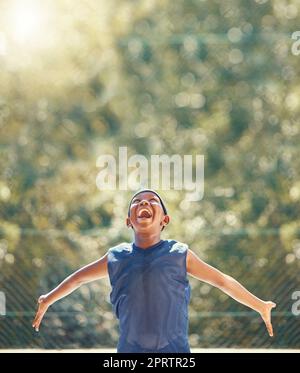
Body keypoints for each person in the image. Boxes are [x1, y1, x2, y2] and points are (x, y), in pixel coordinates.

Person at [32, 189, 276, 353]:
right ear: (129, 221)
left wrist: (259, 305)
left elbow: (222, 281)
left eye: (152, 201)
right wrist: (48, 298)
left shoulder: (179, 254)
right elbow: (77, 279)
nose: (144, 203)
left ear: (164, 220)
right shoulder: (116, 256)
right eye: (136, 202)